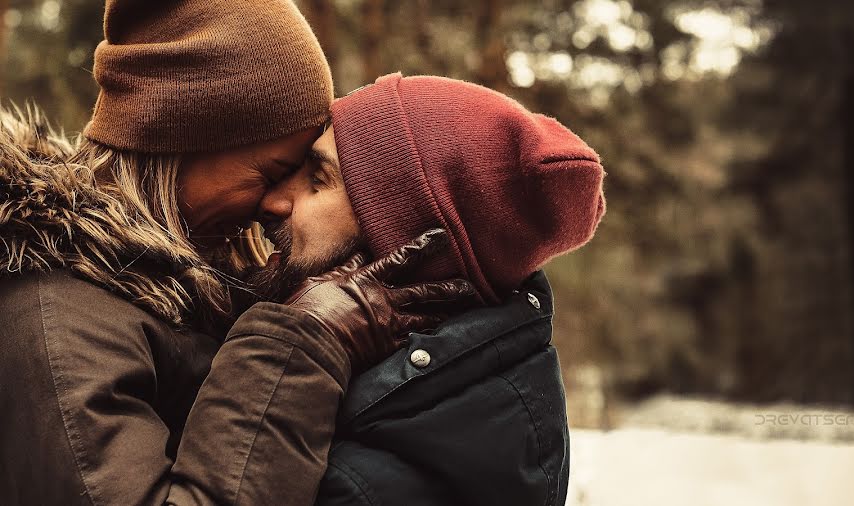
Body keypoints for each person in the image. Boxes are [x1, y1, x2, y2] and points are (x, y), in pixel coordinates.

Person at [0, 2, 470, 505]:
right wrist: (305, 343)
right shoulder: (53, 321)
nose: (274, 205)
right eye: (271, 173)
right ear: (181, 133)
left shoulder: (179, 293)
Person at [248, 73, 607, 506]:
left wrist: (292, 343)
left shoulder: (366, 485)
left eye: (317, 180)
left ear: (406, 248)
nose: (272, 201)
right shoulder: (478, 397)